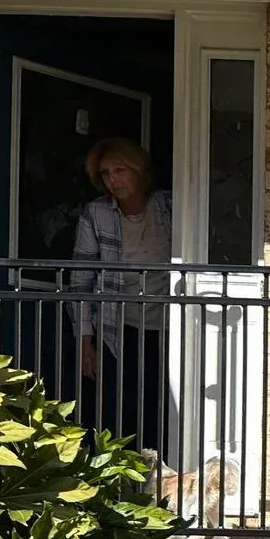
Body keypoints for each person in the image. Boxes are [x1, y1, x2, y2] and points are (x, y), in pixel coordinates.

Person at [70, 138, 174, 454]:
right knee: (119, 410)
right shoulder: (96, 214)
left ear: (140, 172)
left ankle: (161, 481)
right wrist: (85, 340)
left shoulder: (169, 206)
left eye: (120, 170)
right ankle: (117, 484)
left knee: (163, 407)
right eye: (105, 174)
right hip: (118, 328)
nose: (112, 180)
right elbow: (81, 281)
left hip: (170, 328)